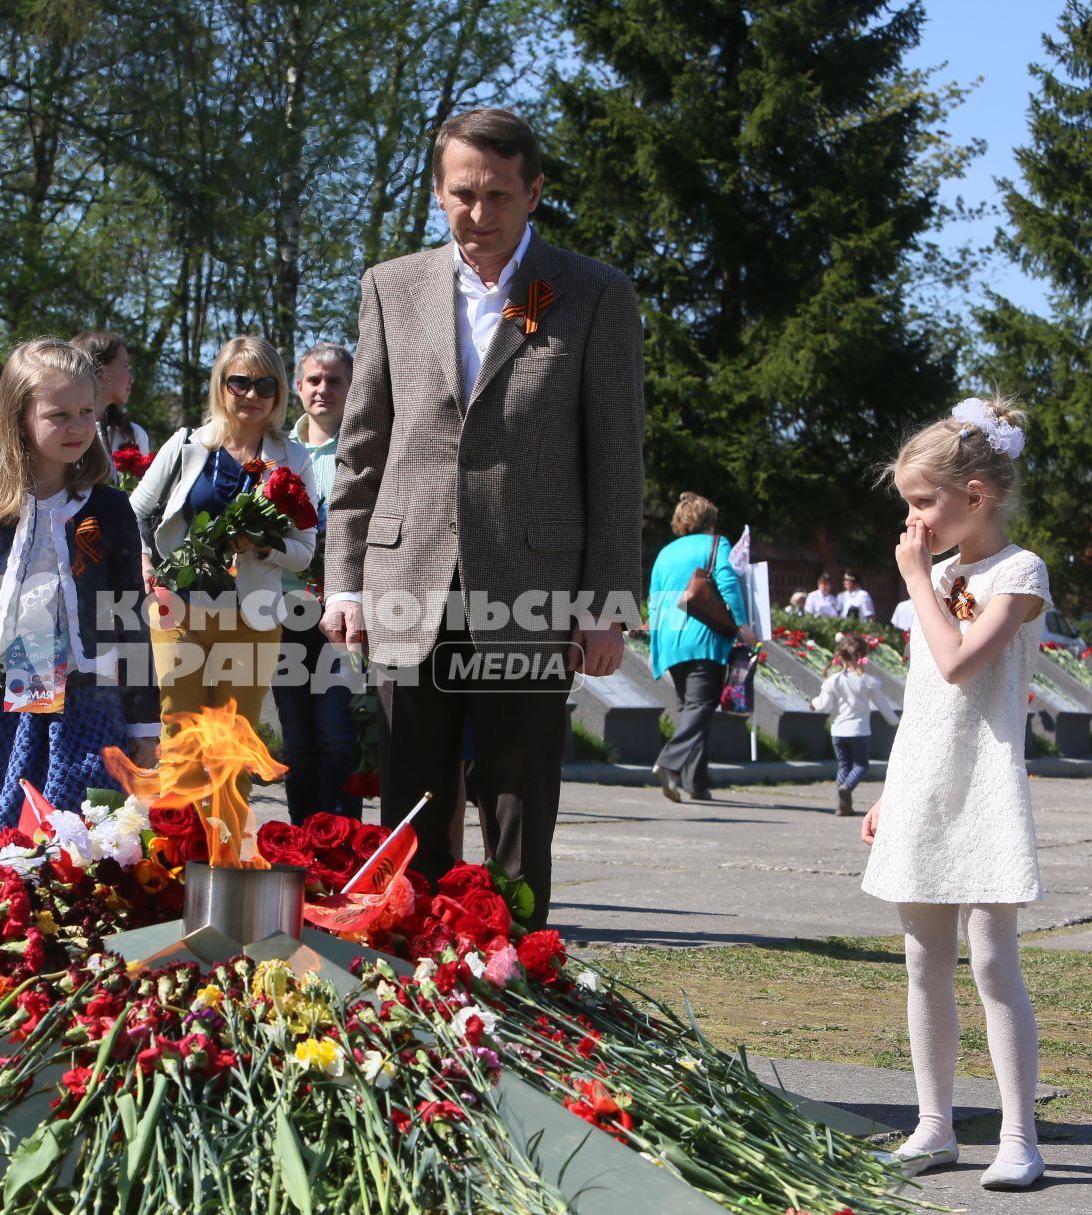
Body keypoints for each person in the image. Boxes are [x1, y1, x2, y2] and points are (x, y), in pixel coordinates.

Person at [323, 108, 643, 927]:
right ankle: (415, 980)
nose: (480, 212)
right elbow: (362, 451)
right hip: (407, 580)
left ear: (534, 192)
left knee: (517, 804)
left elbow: (616, 466)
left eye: (500, 194)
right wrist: (346, 583)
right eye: (463, 193)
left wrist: (606, 606)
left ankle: (512, 969)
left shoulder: (592, 295)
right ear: (437, 194)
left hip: (532, 587)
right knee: (410, 803)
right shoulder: (391, 287)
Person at [860, 394, 1049, 1191]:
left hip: (985, 786)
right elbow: (925, 700)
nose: (915, 521)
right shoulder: (936, 575)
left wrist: (914, 580)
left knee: (993, 962)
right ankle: (933, 1125)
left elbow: (960, 662)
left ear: (976, 496)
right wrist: (889, 789)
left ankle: (1019, 1135)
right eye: (908, 504)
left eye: (923, 502)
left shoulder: (1019, 572)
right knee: (921, 961)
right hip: (925, 781)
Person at [0, 339, 159, 831]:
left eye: (86, 412)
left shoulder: (109, 510)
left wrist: (144, 722)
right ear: (19, 416)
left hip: (89, 705)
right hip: (1, 708)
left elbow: (130, 621)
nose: (78, 427)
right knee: (5, 833)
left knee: (85, 836)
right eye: (59, 415)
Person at [132, 335, 319, 731]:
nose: (252, 394)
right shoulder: (185, 445)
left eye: (265, 385)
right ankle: (180, 798)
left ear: (279, 393)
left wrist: (266, 546)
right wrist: (144, 561)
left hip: (252, 618)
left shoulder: (294, 457)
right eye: (240, 382)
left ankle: (230, 798)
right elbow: (131, 513)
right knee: (179, 735)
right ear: (221, 385)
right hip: (178, 612)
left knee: (234, 746)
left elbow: (304, 551)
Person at [271, 342, 361, 821]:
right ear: (299, 388)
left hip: (341, 613)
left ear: (352, 386)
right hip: (286, 610)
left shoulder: (365, 449)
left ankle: (346, 843)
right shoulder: (280, 452)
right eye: (314, 380)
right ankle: (301, 839)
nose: (323, 389)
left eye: (335, 380)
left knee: (336, 732)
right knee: (296, 737)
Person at [647, 493, 755, 803]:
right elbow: (727, 581)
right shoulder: (714, 543)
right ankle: (669, 763)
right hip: (704, 635)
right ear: (709, 521)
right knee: (701, 706)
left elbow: (655, 601)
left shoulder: (665, 552)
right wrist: (741, 624)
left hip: (670, 639)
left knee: (689, 708)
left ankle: (696, 783)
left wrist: (657, 649)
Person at [813, 634, 899, 817]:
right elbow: (883, 706)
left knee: (844, 766)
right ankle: (847, 787)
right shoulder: (867, 681)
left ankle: (842, 803)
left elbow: (823, 706)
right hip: (860, 731)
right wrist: (896, 722)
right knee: (860, 766)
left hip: (838, 731)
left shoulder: (833, 681)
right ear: (862, 655)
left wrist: (813, 702)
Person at [70, 331, 151, 459]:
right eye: (125, 365)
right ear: (100, 372)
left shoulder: (133, 436)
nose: (131, 378)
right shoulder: (65, 432)